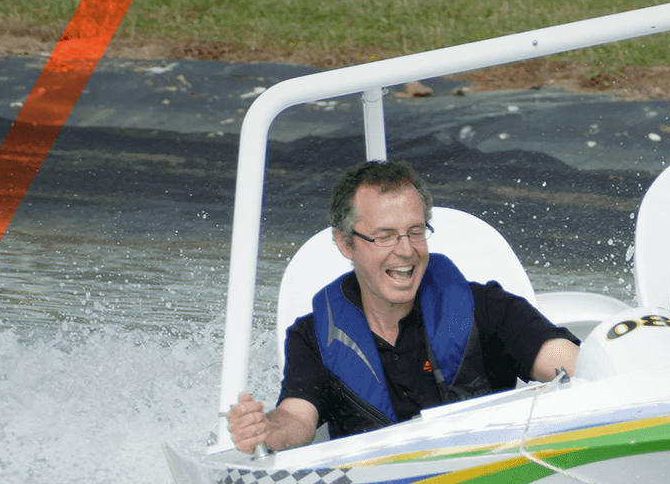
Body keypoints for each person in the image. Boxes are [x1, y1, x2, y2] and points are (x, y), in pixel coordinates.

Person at [228, 161, 580, 453]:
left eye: (415, 231)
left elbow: (564, 359)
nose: (406, 250)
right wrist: (265, 430)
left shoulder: (486, 308)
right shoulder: (312, 337)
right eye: (385, 236)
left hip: (495, 474)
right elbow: (296, 419)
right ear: (345, 242)